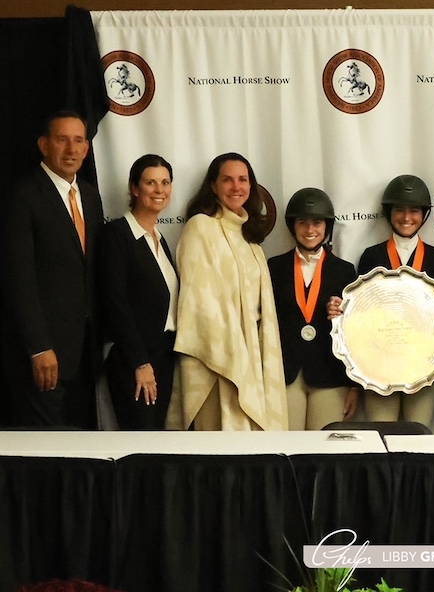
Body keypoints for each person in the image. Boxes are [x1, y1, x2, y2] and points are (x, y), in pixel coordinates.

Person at [166, 153, 287, 430]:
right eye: (227, 180)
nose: (236, 187)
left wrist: (251, 358)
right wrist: (236, 360)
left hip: (254, 355)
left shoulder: (251, 240)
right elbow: (198, 302)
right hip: (219, 363)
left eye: (243, 180)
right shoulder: (201, 227)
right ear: (213, 186)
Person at [0, 111, 104, 429]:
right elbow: (19, 281)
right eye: (62, 140)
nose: (71, 149)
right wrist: (39, 347)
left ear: (87, 148)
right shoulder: (24, 197)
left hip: (85, 352)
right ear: (44, 145)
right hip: (45, 357)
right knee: (47, 450)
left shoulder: (89, 195)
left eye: (78, 140)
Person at [350, 174, 434, 427]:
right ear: (388, 213)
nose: (406, 218)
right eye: (399, 210)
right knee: (382, 436)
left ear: (424, 214)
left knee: (418, 436)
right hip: (379, 364)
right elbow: (359, 315)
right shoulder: (371, 256)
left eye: (414, 210)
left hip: (423, 363)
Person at [96, 154, 179, 430]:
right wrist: (140, 362)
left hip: (164, 356)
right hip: (135, 359)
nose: (159, 190)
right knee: (139, 442)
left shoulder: (159, 238)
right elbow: (114, 302)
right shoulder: (117, 235)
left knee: (157, 441)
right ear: (134, 188)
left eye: (165, 182)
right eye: (151, 182)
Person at [268, 188, 360, 430]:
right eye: (303, 223)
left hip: (330, 373)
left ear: (327, 226)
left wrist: (354, 385)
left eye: (317, 223)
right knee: (287, 448)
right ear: (292, 226)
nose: (310, 230)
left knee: (323, 449)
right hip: (286, 372)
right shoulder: (273, 267)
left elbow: (356, 331)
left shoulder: (345, 270)